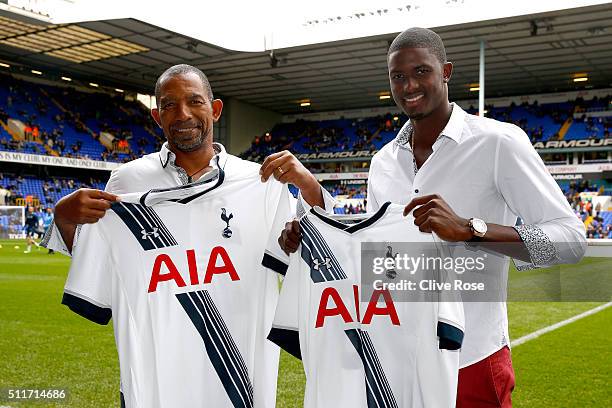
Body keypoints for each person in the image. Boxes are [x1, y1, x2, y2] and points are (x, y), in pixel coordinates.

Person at [279, 27, 586, 408]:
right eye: (398, 76)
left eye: (421, 71)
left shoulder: (498, 142)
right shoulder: (382, 162)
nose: (409, 85)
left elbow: (571, 241)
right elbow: (379, 260)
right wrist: (314, 236)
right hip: (396, 353)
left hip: (472, 354)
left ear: (446, 71)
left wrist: (471, 230)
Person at [42, 64, 330, 407]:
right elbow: (105, 269)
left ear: (215, 109)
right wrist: (64, 216)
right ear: (156, 116)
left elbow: (317, 254)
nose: (183, 114)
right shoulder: (125, 183)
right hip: (156, 387)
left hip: (239, 383)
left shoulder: (261, 182)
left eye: (194, 101)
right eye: (168, 105)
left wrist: (310, 187)